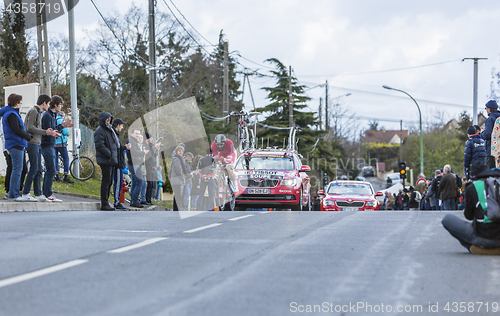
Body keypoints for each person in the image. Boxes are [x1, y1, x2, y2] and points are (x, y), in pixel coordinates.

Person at [442, 161, 500, 254]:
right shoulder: (497, 183)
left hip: (482, 237)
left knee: (447, 219)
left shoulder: (472, 187)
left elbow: (469, 216)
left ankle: (474, 247)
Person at [21, 94, 59, 201]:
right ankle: (25, 193)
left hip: (37, 143)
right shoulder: (34, 111)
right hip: (32, 143)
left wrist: (50, 132)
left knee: (38, 169)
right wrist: (46, 132)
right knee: (34, 168)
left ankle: (38, 194)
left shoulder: (38, 112)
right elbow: (29, 127)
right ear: (44, 103)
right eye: (48, 104)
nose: (48, 106)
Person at [41, 95, 73, 202]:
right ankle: (47, 193)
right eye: (60, 104)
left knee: (51, 169)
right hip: (47, 144)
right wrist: (55, 133)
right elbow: (48, 131)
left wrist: (63, 125)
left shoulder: (52, 116)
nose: (61, 106)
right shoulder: (47, 116)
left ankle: (46, 193)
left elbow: (54, 129)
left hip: (51, 144)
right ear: (55, 105)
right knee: (51, 169)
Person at [1, 94, 32, 200]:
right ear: (17, 103)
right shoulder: (11, 115)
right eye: (20, 102)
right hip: (15, 144)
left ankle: (15, 192)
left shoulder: (11, 113)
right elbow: (16, 130)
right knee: (17, 169)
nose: (21, 104)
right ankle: (13, 194)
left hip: (17, 144)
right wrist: (28, 136)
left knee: (20, 169)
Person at [94, 112, 120, 211]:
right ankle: (104, 203)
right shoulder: (99, 131)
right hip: (106, 159)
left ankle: (106, 202)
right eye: (107, 119)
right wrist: (109, 155)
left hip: (111, 159)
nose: (109, 120)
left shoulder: (110, 130)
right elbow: (100, 146)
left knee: (109, 182)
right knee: (106, 181)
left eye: (110, 119)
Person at [111, 118, 130, 210]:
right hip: (117, 163)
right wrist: (124, 147)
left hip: (118, 162)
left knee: (117, 182)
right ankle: (116, 201)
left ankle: (117, 201)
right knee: (118, 182)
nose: (122, 127)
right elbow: (117, 149)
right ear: (118, 125)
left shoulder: (115, 134)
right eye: (122, 125)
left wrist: (124, 147)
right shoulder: (114, 134)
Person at [126, 128, 146, 208]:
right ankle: (135, 200)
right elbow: (134, 153)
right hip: (134, 165)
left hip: (134, 164)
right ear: (132, 134)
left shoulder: (133, 141)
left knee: (134, 183)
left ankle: (133, 201)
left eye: (138, 133)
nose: (138, 135)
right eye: (136, 133)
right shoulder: (132, 141)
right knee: (139, 182)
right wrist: (143, 153)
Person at [55, 111, 74, 184]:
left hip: (54, 142)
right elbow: (66, 132)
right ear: (63, 116)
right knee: (66, 158)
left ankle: (56, 175)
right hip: (61, 143)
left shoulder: (54, 120)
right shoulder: (62, 121)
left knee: (55, 158)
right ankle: (66, 175)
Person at [481, 100, 500, 169]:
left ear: (489, 109)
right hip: (499, 150)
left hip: (491, 150)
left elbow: (487, 135)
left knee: (491, 172)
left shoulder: (490, 119)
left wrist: (482, 133)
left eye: (486, 108)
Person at [144, 132, 161, 205]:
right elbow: (149, 155)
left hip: (153, 167)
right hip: (148, 167)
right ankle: (146, 199)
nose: (152, 140)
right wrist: (154, 148)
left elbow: (154, 155)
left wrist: (156, 149)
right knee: (149, 184)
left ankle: (149, 199)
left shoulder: (150, 146)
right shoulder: (145, 146)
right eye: (151, 138)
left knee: (152, 184)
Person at [170, 145, 188, 211]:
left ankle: (176, 207)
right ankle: (176, 208)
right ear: (176, 151)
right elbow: (178, 170)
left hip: (176, 179)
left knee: (177, 194)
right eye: (179, 151)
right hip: (176, 179)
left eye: (182, 151)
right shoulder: (177, 159)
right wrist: (183, 176)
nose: (181, 152)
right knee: (177, 194)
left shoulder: (179, 158)